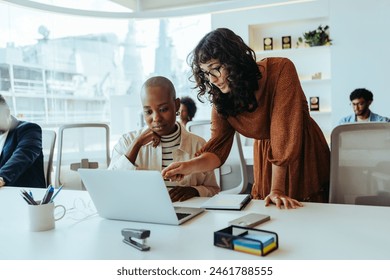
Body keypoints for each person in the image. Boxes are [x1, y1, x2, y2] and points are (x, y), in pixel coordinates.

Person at [162, 28, 330, 209]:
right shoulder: (221, 99)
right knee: (274, 214)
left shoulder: (280, 69)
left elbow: (283, 132)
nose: (212, 80)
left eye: (216, 69)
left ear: (235, 60)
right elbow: (217, 152)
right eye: (205, 73)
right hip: (267, 158)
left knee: (310, 214)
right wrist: (188, 167)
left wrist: (277, 190)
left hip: (302, 149)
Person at [108, 76, 219, 202]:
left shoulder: (198, 145)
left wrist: (195, 191)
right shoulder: (127, 142)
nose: (156, 118)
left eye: (163, 109)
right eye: (148, 112)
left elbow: (213, 190)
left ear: (176, 105)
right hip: (140, 215)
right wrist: (137, 144)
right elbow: (110, 186)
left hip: (186, 214)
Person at [0, 95, 45, 188]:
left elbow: (23, 156)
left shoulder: (29, 129)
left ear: (7, 112)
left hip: (23, 193)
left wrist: (2, 177)